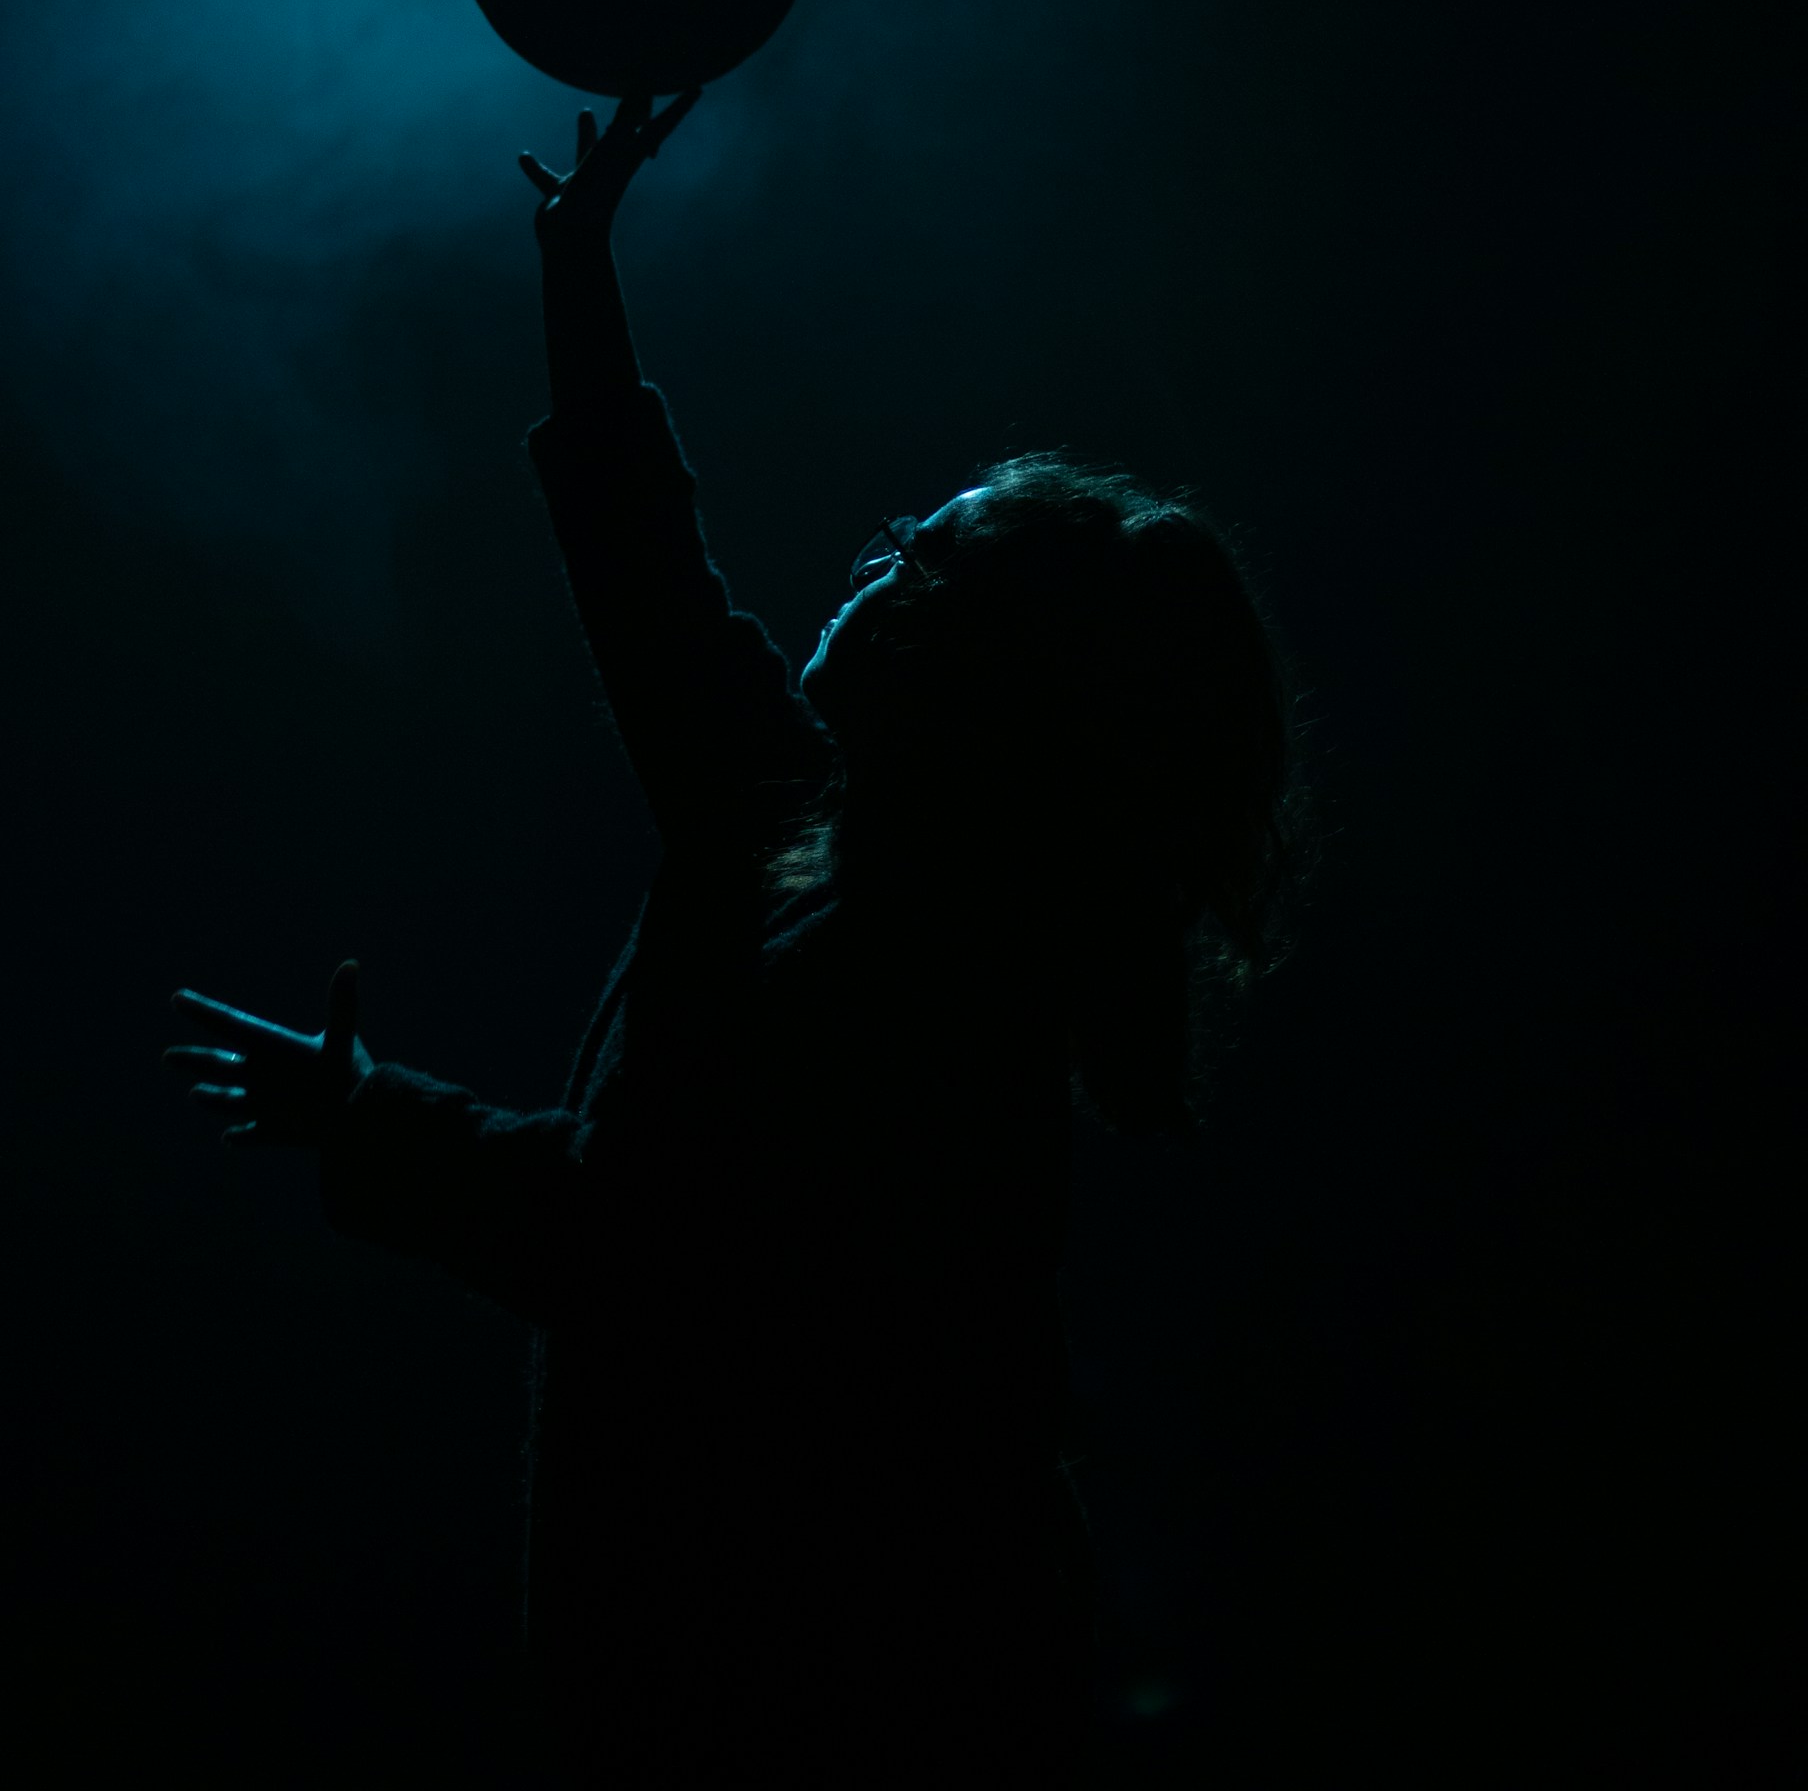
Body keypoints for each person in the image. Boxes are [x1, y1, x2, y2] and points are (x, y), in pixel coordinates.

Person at [167, 93, 1297, 1786]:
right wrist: (578, 267)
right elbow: (646, 567)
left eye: (919, 557)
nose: (870, 556)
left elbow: (642, 1258)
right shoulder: (809, 840)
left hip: (837, 1689)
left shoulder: (916, 982)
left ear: (974, 681)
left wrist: (371, 1120)